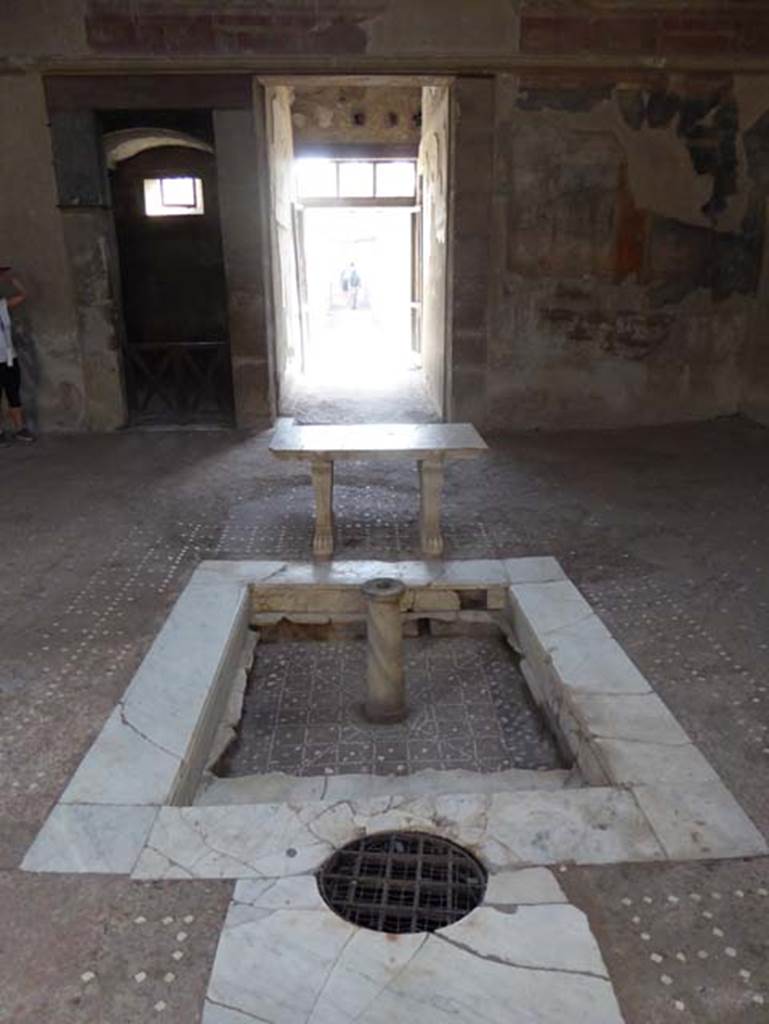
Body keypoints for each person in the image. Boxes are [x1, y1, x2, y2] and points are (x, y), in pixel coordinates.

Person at [0, 266, 34, 444]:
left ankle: (20, 429)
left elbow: (22, 296)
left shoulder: (1, 305)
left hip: (8, 358)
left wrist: (12, 281)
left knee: (13, 393)